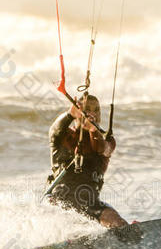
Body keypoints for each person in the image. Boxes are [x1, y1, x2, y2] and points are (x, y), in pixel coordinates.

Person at [46, 94, 128, 228]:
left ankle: (131, 240)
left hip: (90, 203)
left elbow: (102, 149)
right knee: (57, 215)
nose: (93, 113)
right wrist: (69, 114)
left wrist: (92, 130)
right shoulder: (65, 136)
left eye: (97, 110)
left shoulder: (108, 141)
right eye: (88, 109)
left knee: (115, 221)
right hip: (59, 200)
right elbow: (54, 131)